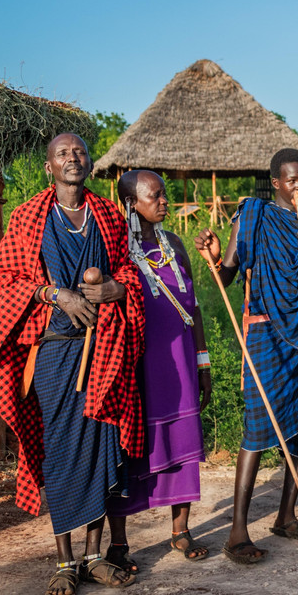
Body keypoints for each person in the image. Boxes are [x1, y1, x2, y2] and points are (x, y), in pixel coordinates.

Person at [0, 133, 144, 595]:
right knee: (62, 453)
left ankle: (93, 558)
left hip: (104, 350)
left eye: (79, 152)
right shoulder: (30, 217)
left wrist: (114, 289)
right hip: (53, 352)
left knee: (98, 448)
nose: (73, 158)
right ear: (50, 166)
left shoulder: (109, 215)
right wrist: (56, 294)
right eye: (62, 154)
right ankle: (63, 561)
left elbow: (129, 270)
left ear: (89, 162)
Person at [195, 148, 298, 565]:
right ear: (276, 182)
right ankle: (237, 531)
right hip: (265, 333)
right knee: (257, 427)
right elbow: (231, 271)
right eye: (292, 181)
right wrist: (216, 258)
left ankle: (287, 516)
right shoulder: (253, 214)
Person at [105, 170, 211, 568]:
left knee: (182, 441)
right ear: (132, 204)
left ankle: (180, 530)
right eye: (156, 196)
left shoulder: (176, 245)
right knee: (128, 447)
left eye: (165, 194)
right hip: (137, 368)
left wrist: (203, 363)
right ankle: (119, 544)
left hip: (180, 364)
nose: (165, 202)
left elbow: (194, 309)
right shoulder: (116, 250)